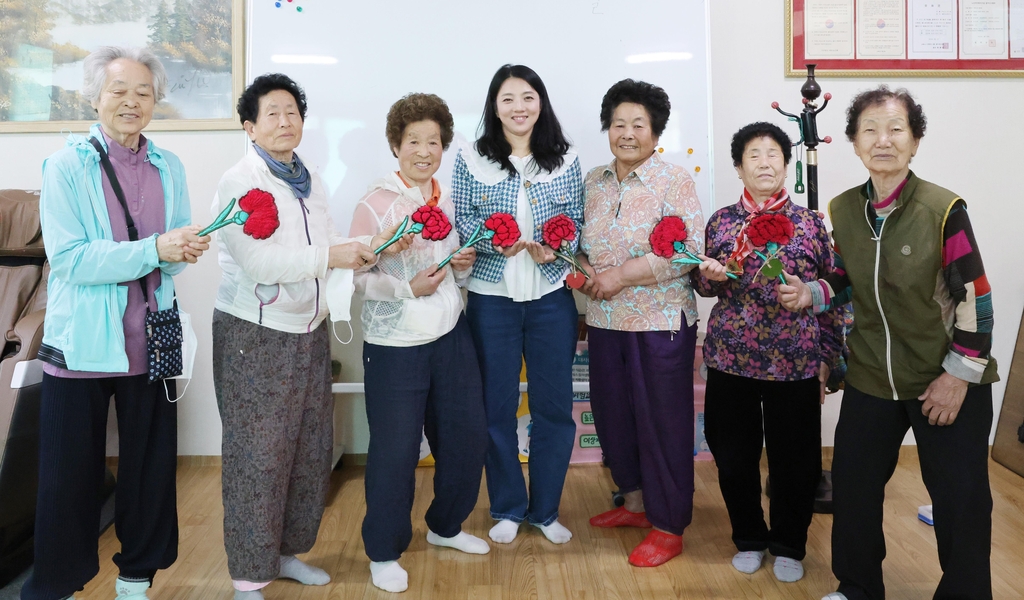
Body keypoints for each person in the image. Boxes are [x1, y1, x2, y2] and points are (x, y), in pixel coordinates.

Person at [777, 86, 999, 600]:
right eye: (870, 130)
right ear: (854, 142)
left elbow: (976, 297)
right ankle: (857, 588)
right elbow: (845, 277)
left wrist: (958, 376)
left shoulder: (943, 209)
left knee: (960, 500)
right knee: (853, 490)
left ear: (915, 141)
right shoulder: (844, 209)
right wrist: (810, 292)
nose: (883, 140)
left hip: (944, 377)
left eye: (896, 129)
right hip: (873, 374)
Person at [211, 73, 407, 600]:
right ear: (249, 126)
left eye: (292, 112)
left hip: (309, 329)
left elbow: (324, 244)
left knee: (307, 448)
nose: (284, 121)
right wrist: (331, 256)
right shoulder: (240, 181)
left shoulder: (308, 178)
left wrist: (366, 245)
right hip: (256, 331)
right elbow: (258, 262)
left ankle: (286, 553)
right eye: (271, 113)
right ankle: (249, 575)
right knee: (258, 455)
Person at [25, 46, 210, 600]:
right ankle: (55, 586)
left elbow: (170, 256)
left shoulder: (167, 165)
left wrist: (182, 249)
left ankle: (136, 579)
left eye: (144, 93)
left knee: (150, 471)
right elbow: (72, 260)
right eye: (119, 91)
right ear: (95, 97)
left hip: (152, 338)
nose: (132, 102)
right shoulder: (65, 166)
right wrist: (157, 247)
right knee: (67, 482)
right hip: (82, 345)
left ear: (157, 100)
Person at [690, 122, 843, 582]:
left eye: (773, 153)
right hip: (731, 357)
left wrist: (827, 357)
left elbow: (835, 290)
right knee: (733, 453)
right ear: (738, 167)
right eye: (753, 155)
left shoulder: (811, 223)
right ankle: (750, 538)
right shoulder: (720, 221)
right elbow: (698, 281)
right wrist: (709, 277)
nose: (764, 162)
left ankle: (789, 543)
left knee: (796, 459)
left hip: (795, 358)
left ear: (786, 164)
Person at [349, 93, 488, 593]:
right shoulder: (374, 203)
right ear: (395, 144)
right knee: (395, 451)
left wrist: (459, 264)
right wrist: (406, 285)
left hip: (450, 335)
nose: (424, 150)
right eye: (414, 141)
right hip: (395, 344)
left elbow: (444, 262)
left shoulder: (445, 196)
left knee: (466, 437)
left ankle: (446, 526)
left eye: (434, 141)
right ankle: (384, 552)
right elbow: (358, 278)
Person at [451, 64, 583, 546]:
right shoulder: (472, 158)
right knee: (495, 408)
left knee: (553, 409)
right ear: (494, 107)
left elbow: (577, 222)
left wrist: (558, 249)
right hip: (492, 299)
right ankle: (507, 505)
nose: (519, 107)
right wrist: (491, 241)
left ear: (541, 103)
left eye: (528, 97)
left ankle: (546, 510)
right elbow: (462, 218)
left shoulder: (565, 160)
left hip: (551, 297)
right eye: (508, 99)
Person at [576, 79, 704, 567]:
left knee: (663, 424)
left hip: (659, 321)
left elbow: (686, 251)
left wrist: (622, 276)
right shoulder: (592, 180)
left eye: (638, 125)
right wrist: (588, 272)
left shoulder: (675, 180)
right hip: (605, 319)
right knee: (613, 416)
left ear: (655, 131)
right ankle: (632, 502)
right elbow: (578, 243)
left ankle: (669, 524)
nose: (627, 133)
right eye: (618, 124)